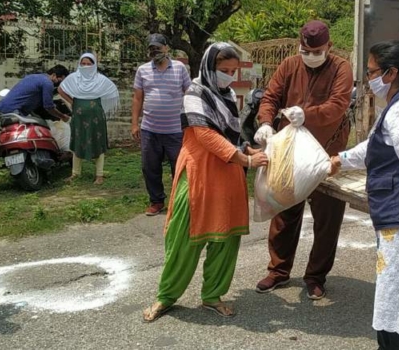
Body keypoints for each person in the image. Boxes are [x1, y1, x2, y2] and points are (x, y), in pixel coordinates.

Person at [330, 41, 399, 350]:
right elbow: (375, 146)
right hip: (398, 221)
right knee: (394, 303)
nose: (369, 80)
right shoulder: (398, 107)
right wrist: (341, 160)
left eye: (371, 72)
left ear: (392, 73)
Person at [143, 43, 269, 322]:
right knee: (185, 238)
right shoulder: (195, 92)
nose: (228, 76)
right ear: (209, 66)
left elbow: (230, 134)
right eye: (224, 70)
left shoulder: (226, 95)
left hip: (228, 174)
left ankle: (212, 295)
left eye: (233, 71)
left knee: (226, 238)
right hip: (200, 172)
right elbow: (205, 135)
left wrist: (246, 149)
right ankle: (166, 296)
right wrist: (244, 160)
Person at [254, 20, 354, 300]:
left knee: (327, 217)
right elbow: (270, 96)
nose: (310, 56)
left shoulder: (341, 68)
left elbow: (338, 105)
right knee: (284, 212)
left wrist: (307, 114)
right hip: (290, 152)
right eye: (305, 51)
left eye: (316, 51)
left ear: (329, 47)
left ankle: (316, 276)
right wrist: (264, 122)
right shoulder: (289, 65)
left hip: (326, 153)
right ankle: (278, 270)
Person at [131, 34, 191, 216]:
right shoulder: (143, 70)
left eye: (158, 48)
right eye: (151, 49)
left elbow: (189, 94)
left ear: (166, 48)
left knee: (179, 168)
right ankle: (156, 201)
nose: (155, 51)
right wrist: (134, 124)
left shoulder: (180, 68)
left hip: (175, 131)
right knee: (150, 167)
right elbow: (137, 98)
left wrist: (192, 122)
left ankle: (178, 202)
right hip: (150, 129)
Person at [58, 52, 119, 185]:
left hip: (96, 116)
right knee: (77, 141)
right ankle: (75, 173)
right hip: (78, 116)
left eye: (89, 64)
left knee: (97, 142)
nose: (86, 66)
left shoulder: (100, 80)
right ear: (79, 64)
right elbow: (61, 89)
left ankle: (99, 175)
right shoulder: (73, 78)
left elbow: (113, 91)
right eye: (83, 64)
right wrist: (72, 101)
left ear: (94, 65)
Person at [0, 64, 70, 122]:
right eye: (61, 80)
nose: (61, 83)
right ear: (54, 75)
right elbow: (49, 107)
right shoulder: (48, 83)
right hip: (14, 112)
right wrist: (63, 117)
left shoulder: (35, 77)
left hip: (2, 109)